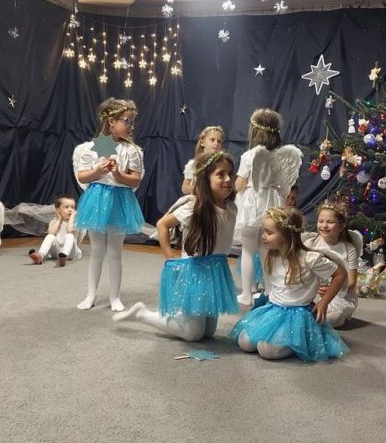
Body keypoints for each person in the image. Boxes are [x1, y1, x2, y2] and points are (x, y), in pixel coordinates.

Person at [113, 151, 238, 342]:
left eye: (230, 173)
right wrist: (169, 254)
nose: (228, 179)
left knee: (208, 333)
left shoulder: (231, 207)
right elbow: (162, 224)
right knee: (193, 334)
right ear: (205, 178)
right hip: (196, 271)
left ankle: (182, 316)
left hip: (215, 269)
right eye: (220, 174)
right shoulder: (195, 206)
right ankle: (142, 314)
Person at [229, 207, 349, 361]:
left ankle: (298, 342)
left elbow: (340, 274)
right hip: (273, 309)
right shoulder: (273, 254)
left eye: (269, 233)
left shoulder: (309, 258)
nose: (263, 236)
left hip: (297, 315)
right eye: (264, 231)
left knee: (267, 350)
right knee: (244, 342)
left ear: (286, 234)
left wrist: (324, 302)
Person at [73, 98, 144, 311]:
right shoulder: (91, 148)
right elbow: (82, 176)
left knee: (115, 251)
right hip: (97, 200)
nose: (131, 126)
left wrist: (118, 174)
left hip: (120, 201)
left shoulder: (132, 150)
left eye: (132, 122)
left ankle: (115, 297)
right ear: (112, 121)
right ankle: (90, 294)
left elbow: (136, 180)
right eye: (127, 121)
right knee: (97, 250)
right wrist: (97, 171)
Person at [234, 108, 303, 305]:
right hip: (272, 201)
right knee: (269, 249)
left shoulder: (250, 155)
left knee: (248, 250)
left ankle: (247, 294)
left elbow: (239, 185)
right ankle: (271, 291)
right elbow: (285, 184)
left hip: (252, 203)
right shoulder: (282, 155)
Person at [302, 204, 362, 328]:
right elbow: (302, 272)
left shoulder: (349, 249)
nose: (324, 225)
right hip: (312, 290)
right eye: (321, 221)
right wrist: (315, 288)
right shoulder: (310, 243)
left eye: (330, 222)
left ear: (341, 226)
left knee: (334, 319)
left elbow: (351, 282)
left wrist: (331, 289)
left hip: (338, 294)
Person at [28, 195, 82, 266]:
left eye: (72, 207)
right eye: (66, 207)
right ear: (58, 210)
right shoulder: (54, 221)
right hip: (57, 252)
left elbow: (69, 230)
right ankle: (40, 256)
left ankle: (64, 255)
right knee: (50, 236)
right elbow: (51, 232)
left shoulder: (75, 222)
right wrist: (59, 219)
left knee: (70, 235)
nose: (70, 210)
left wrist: (72, 217)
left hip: (71, 252)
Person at [181, 125, 225, 195]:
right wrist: (199, 188)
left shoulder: (223, 164)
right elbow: (184, 188)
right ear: (202, 143)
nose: (216, 143)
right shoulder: (193, 164)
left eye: (219, 141)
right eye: (212, 140)